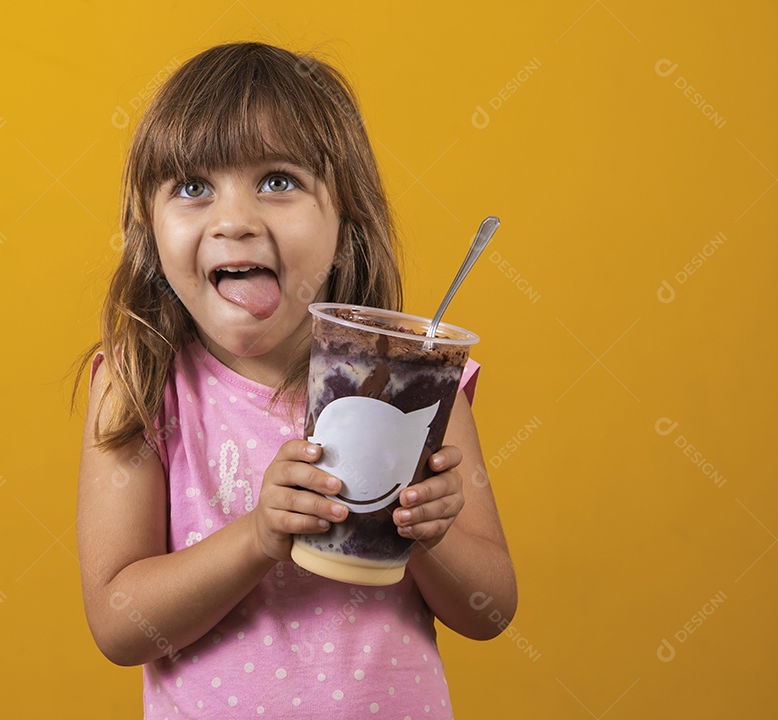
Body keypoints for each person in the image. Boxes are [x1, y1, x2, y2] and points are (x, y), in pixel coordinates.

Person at [76, 41, 516, 718]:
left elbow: (491, 610)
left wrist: (428, 534)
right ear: (149, 226)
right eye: (192, 188)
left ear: (347, 223)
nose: (235, 221)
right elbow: (118, 622)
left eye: (278, 181)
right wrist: (257, 537)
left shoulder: (416, 388)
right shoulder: (142, 385)